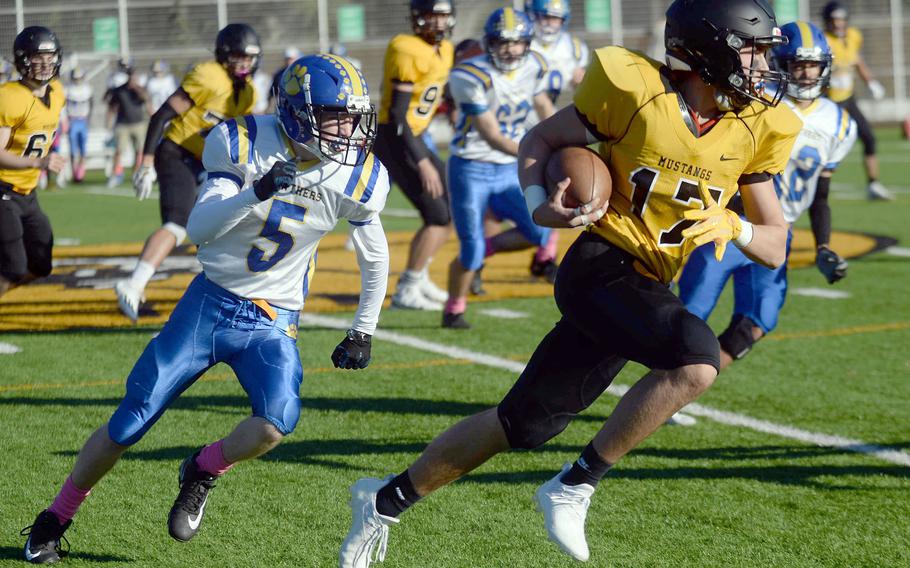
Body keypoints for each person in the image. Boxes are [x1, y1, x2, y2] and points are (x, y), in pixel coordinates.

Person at [339, 0, 800, 565]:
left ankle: (384, 500)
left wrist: (737, 222)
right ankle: (576, 483)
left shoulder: (756, 126)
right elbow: (540, 141)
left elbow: (775, 245)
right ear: (707, 51)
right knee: (697, 357)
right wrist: (540, 206)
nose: (761, 63)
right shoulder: (636, 91)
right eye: (750, 49)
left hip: (647, 281)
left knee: (521, 424)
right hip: (600, 263)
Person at [21, 53, 390, 564]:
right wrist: (257, 191)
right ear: (299, 113)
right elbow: (199, 229)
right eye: (336, 115)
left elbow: (376, 254)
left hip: (272, 319)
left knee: (276, 422)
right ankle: (55, 516)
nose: (349, 129)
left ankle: (204, 468)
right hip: (210, 303)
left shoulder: (358, 174)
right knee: (131, 421)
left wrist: (363, 329)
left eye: (353, 116)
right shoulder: (242, 141)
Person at [678, 21, 856, 373]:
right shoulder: (754, 103)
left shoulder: (840, 123)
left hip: (777, 233)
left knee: (756, 323)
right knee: (688, 316)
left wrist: (822, 246)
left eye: (812, 65)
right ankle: (665, 378)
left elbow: (820, 195)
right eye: (797, 65)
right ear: (779, 64)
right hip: (731, 225)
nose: (805, 75)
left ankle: (687, 382)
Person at [115, 23, 261, 322]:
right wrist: (145, 163)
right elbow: (161, 116)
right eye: (238, 57)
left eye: (250, 58)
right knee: (177, 225)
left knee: (223, 225)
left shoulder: (247, 93)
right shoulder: (209, 76)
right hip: (176, 152)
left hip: (206, 161)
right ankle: (133, 283)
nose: (245, 64)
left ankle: (228, 294)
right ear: (224, 55)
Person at [440, 7, 554, 329]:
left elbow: (543, 105)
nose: (510, 49)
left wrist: (561, 137)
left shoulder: (535, 65)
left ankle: (482, 252)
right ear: (488, 43)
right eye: (502, 42)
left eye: (517, 42)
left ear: (527, 43)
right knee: (470, 249)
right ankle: (453, 309)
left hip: (508, 169)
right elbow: (491, 135)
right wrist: (539, 150)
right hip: (471, 167)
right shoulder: (469, 75)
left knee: (538, 231)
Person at [373, 0, 455, 311]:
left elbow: (437, 89)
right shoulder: (406, 48)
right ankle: (407, 287)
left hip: (415, 135)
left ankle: (417, 277)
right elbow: (397, 115)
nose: (438, 22)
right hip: (395, 138)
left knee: (449, 211)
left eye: (443, 15)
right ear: (417, 18)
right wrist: (423, 162)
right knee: (437, 216)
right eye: (432, 15)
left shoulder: (445, 49)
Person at [524, 0, 591, 282]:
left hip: (542, 124)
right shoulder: (521, 43)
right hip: (519, 125)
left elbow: (583, 85)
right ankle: (480, 255)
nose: (549, 23)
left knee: (553, 190)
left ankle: (544, 256)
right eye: (544, 17)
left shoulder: (574, 49)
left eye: (555, 18)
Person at [0, 27, 66, 301]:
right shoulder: (10, 96)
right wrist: (39, 163)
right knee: (13, 266)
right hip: (3, 190)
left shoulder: (58, 91)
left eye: (49, 58)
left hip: (28, 194)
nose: (44, 64)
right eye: (37, 58)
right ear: (22, 60)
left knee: (40, 265)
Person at [821, 1, 892, 200]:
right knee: (829, 145)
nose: (838, 24)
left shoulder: (853, 36)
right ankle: (818, 184)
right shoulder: (823, 40)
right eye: (834, 20)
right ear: (827, 21)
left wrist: (871, 82)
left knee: (869, 137)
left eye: (841, 20)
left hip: (848, 98)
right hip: (830, 101)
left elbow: (857, 60)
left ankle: (873, 184)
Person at [105, 58, 152, 188]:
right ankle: (115, 175)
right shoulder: (119, 90)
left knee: (139, 151)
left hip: (138, 123)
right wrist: (108, 123)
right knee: (119, 151)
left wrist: (135, 87)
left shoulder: (139, 89)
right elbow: (111, 105)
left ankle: (136, 175)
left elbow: (146, 98)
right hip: (122, 124)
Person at [64, 68, 93, 182]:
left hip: (83, 120)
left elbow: (91, 104)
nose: (77, 81)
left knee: (83, 150)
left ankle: (80, 173)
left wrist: (89, 119)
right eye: (76, 78)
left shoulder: (87, 89)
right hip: (72, 120)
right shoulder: (68, 89)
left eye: (79, 78)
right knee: (73, 150)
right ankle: (74, 172)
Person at [267, 46, 300, 111]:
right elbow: (272, 92)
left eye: (291, 59)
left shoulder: (301, 73)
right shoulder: (279, 74)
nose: (289, 61)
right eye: (287, 59)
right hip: (284, 104)